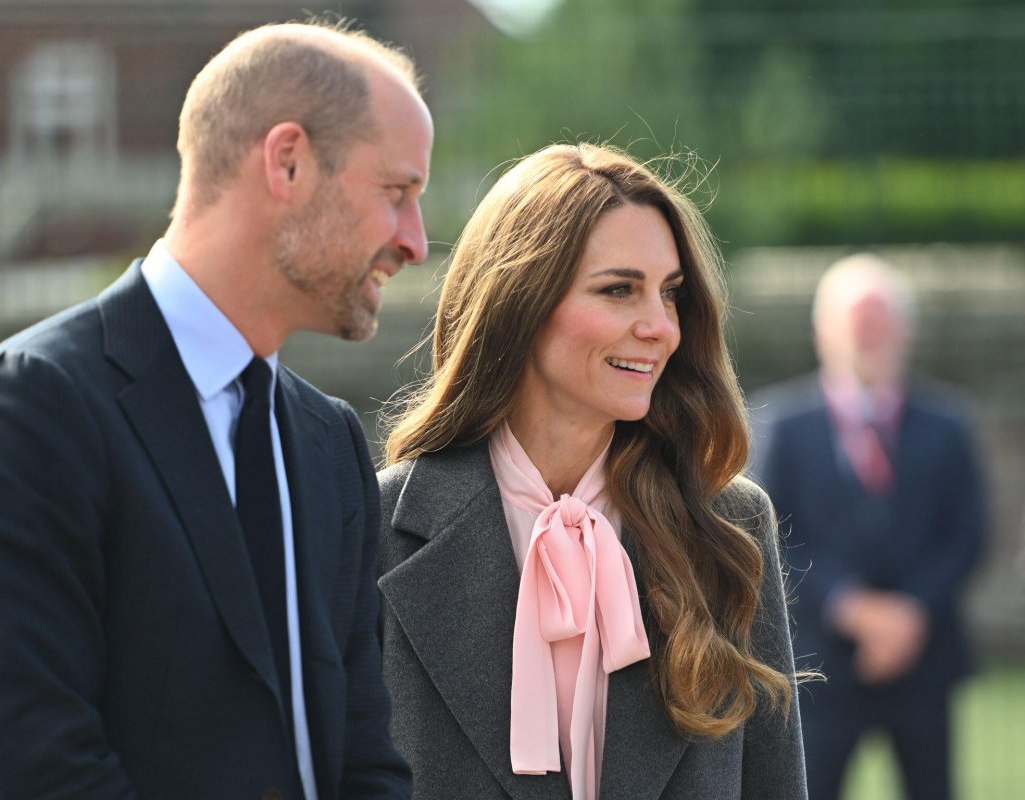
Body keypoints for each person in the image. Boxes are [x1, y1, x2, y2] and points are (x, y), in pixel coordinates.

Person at [0, 20, 431, 800]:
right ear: (287, 161)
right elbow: (44, 773)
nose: (416, 241)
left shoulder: (328, 445)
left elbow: (364, 762)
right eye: (396, 194)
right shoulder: (28, 410)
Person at [376, 142, 807, 800]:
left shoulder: (730, 524)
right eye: (619, 291)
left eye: (670, 295)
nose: (661, 326)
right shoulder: (375, 526)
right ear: (519, 301)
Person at [750, 253, 986, 800]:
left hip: (924, 659)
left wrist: (909, 612)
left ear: (907, 330)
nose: (867, 333)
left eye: (879, 320)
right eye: (855, 320)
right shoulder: (780, 426)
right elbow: (770, 536)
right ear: (821, 330)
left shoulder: (948, 425)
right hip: (818, 665)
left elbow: (966, 534)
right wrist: (852, 608)